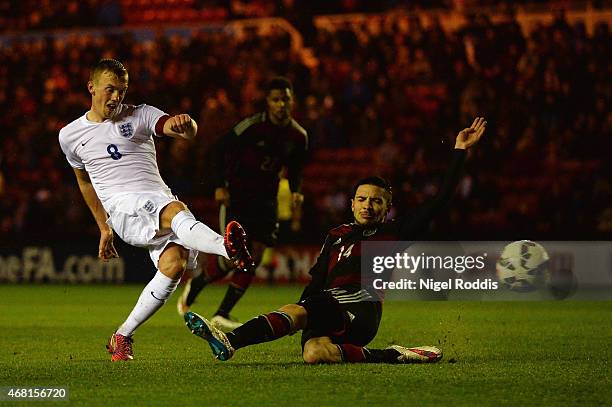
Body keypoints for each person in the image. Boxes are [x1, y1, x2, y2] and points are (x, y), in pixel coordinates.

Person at [184, 117, 486, 364]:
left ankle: (229, 340)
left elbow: (439, 201)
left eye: (376, 201)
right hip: (327, 304)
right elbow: (317, 279)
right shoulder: (336, 235)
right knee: (316, 354)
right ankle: (396, 355)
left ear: (386, 207)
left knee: (298, 309)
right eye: (363, 199)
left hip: (361, 308)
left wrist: (460, 150)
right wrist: (306, 307)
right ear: (352, 203)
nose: (368, 205)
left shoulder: (392, 234)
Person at [58, 59, 254, 362]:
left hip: (156, 201)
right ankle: (228, 249)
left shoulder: (141, 114)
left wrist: (186, 126)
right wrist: (104, 227)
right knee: (176, 210)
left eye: (121, 91)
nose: (116, 98)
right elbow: (85, 183)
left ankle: (122, 336)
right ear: (91, 87)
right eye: (110, 90)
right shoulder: (70, 135)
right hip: (125, 209)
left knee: (174, 264)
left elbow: (181, 130)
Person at [177, 77, 308, 331]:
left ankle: (222, 313)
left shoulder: (298, 135)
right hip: (238, 196)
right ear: (268, 103)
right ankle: (198, 283)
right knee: (233, 256)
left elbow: (295, 169)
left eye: (286, 99)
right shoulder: (252, 126)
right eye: (276, 99)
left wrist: (295, 192)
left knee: (254, 257)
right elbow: (219, 149)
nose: (281, 104)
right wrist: (219, 185)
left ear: (292, 101)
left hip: (266, 201)